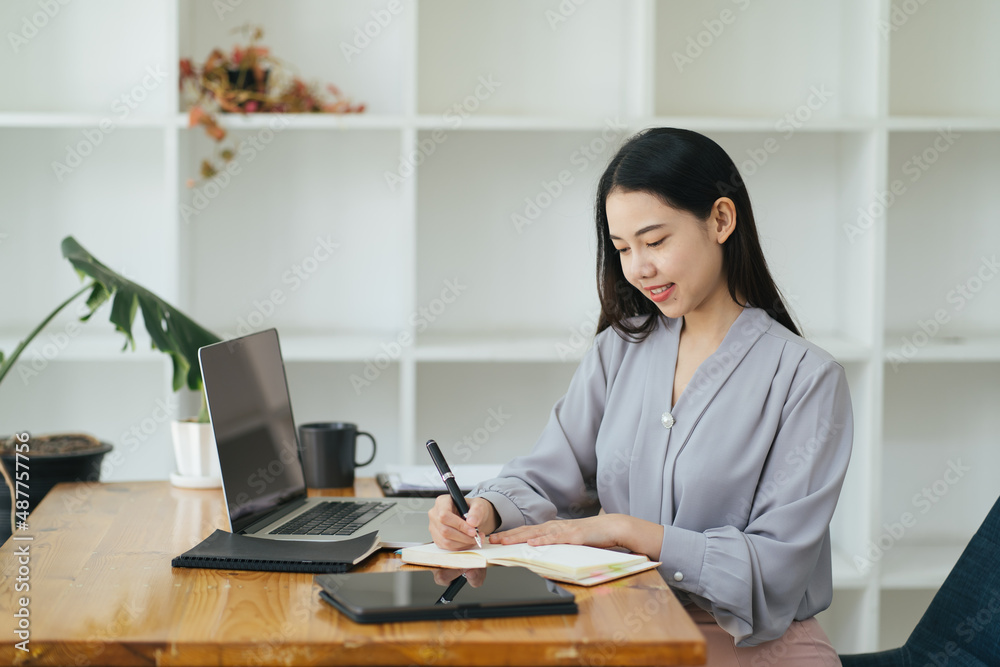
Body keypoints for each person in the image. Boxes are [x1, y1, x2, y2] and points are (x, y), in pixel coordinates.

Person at [428, 127, 852, 665]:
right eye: (623, 248)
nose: (638, 268)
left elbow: (774, 570)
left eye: (655, 242)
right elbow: (549, 474)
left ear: (721, 219)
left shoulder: (807, 379)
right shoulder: (618, 350)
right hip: (626, 629)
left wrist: (626, 531)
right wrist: (483, 510)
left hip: (749, 647)